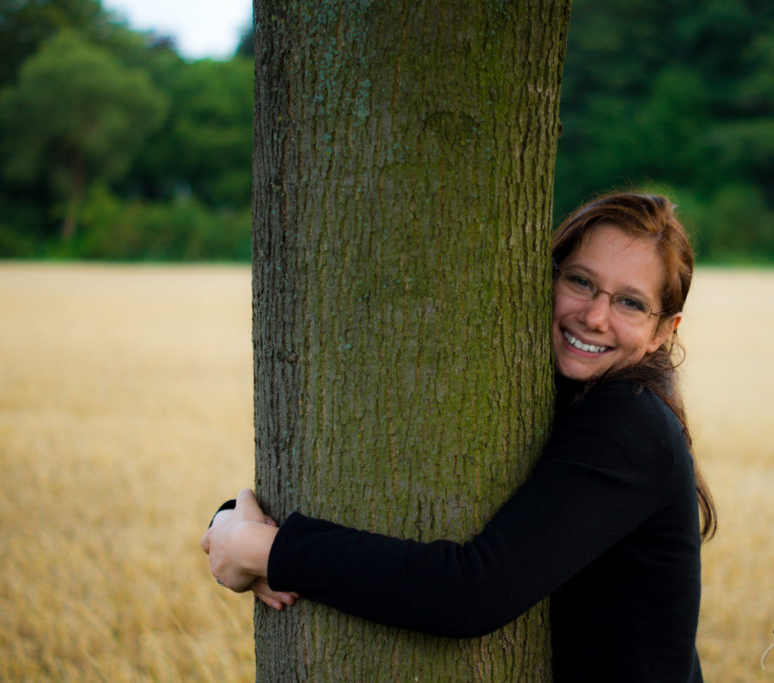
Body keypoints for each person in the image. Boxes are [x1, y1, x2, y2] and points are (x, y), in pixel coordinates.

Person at [202, 192, 716, 681]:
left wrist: (270, 551)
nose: (595, 316)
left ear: (663, 331)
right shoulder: (549, 395)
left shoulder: (630, 422)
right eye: (581, 281)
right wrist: (232, 522)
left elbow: (472, 592)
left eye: (630, 303)